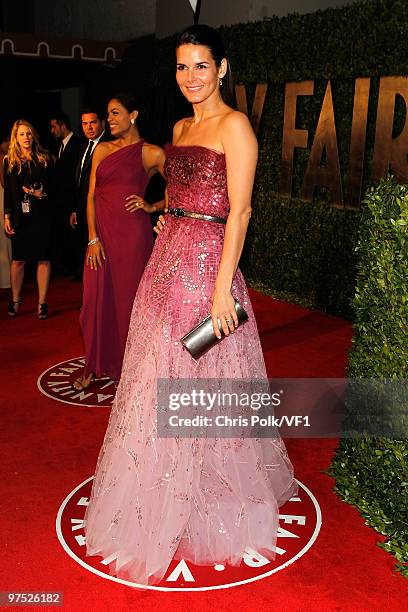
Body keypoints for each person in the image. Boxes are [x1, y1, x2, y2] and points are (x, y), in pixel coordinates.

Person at [84, 25, 296, 586]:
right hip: (164, 266)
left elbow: (241, 211)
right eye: (182, 67)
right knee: (154, 379)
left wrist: (223, 283)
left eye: (201, 66)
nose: (191, 77)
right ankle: (160, 492)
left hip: (207, 273)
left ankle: (207, 495)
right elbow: (179, 197)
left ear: (222, 68)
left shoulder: (236, 127)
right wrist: (159, 212)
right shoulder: (180, 126)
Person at [73, 93, 165, 390]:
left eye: (115, 113)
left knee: (129, 303)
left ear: (133, 114)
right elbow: (90, 196)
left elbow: (184, 189)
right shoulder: (102, 149)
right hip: (100, 239)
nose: (109, 119)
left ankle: (132, 368)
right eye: (108, 114)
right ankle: (94, 364)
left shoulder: (150, 153)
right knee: (93, 301)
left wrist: (153, 206)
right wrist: (92, 238)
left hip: (131, 239)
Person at [3, 120, 54, 318]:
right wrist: (7, 215)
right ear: (15, 138)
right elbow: (8, 191)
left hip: (42, 216)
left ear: (34, 136)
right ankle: (15, 299)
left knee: (43, 258)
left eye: (29, 134)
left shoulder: (44, 158)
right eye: (22, 134)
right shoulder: (10, 161)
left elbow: (53, 188)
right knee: (18, 261)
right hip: (19, 217)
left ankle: (42, 303)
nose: (26, 138)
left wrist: (40, 193)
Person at [70, 108, 110, 281]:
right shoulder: (83, 146)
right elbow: (80, 182)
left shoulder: (110, 146)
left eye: (93, 122)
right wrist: (75, 210)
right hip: (84, 210)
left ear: (102, 123)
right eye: (85, 124)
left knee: (101, 258)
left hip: (102, 211)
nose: (89, 127)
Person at [50, 111, 81, 276]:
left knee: (74, 235)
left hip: (73, 199)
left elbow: (76, 176)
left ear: (63, 126)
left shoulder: (77, 144)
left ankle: (76, 268)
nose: (52, 130)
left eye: (54, 126)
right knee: (65, 235)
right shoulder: (59, 145)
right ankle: (68, 266)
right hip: (61, 200)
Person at [0, 134, 12, 288]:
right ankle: (6, 279)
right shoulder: (2, 157)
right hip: (2, 196)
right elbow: (4, 182)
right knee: (4, 240)